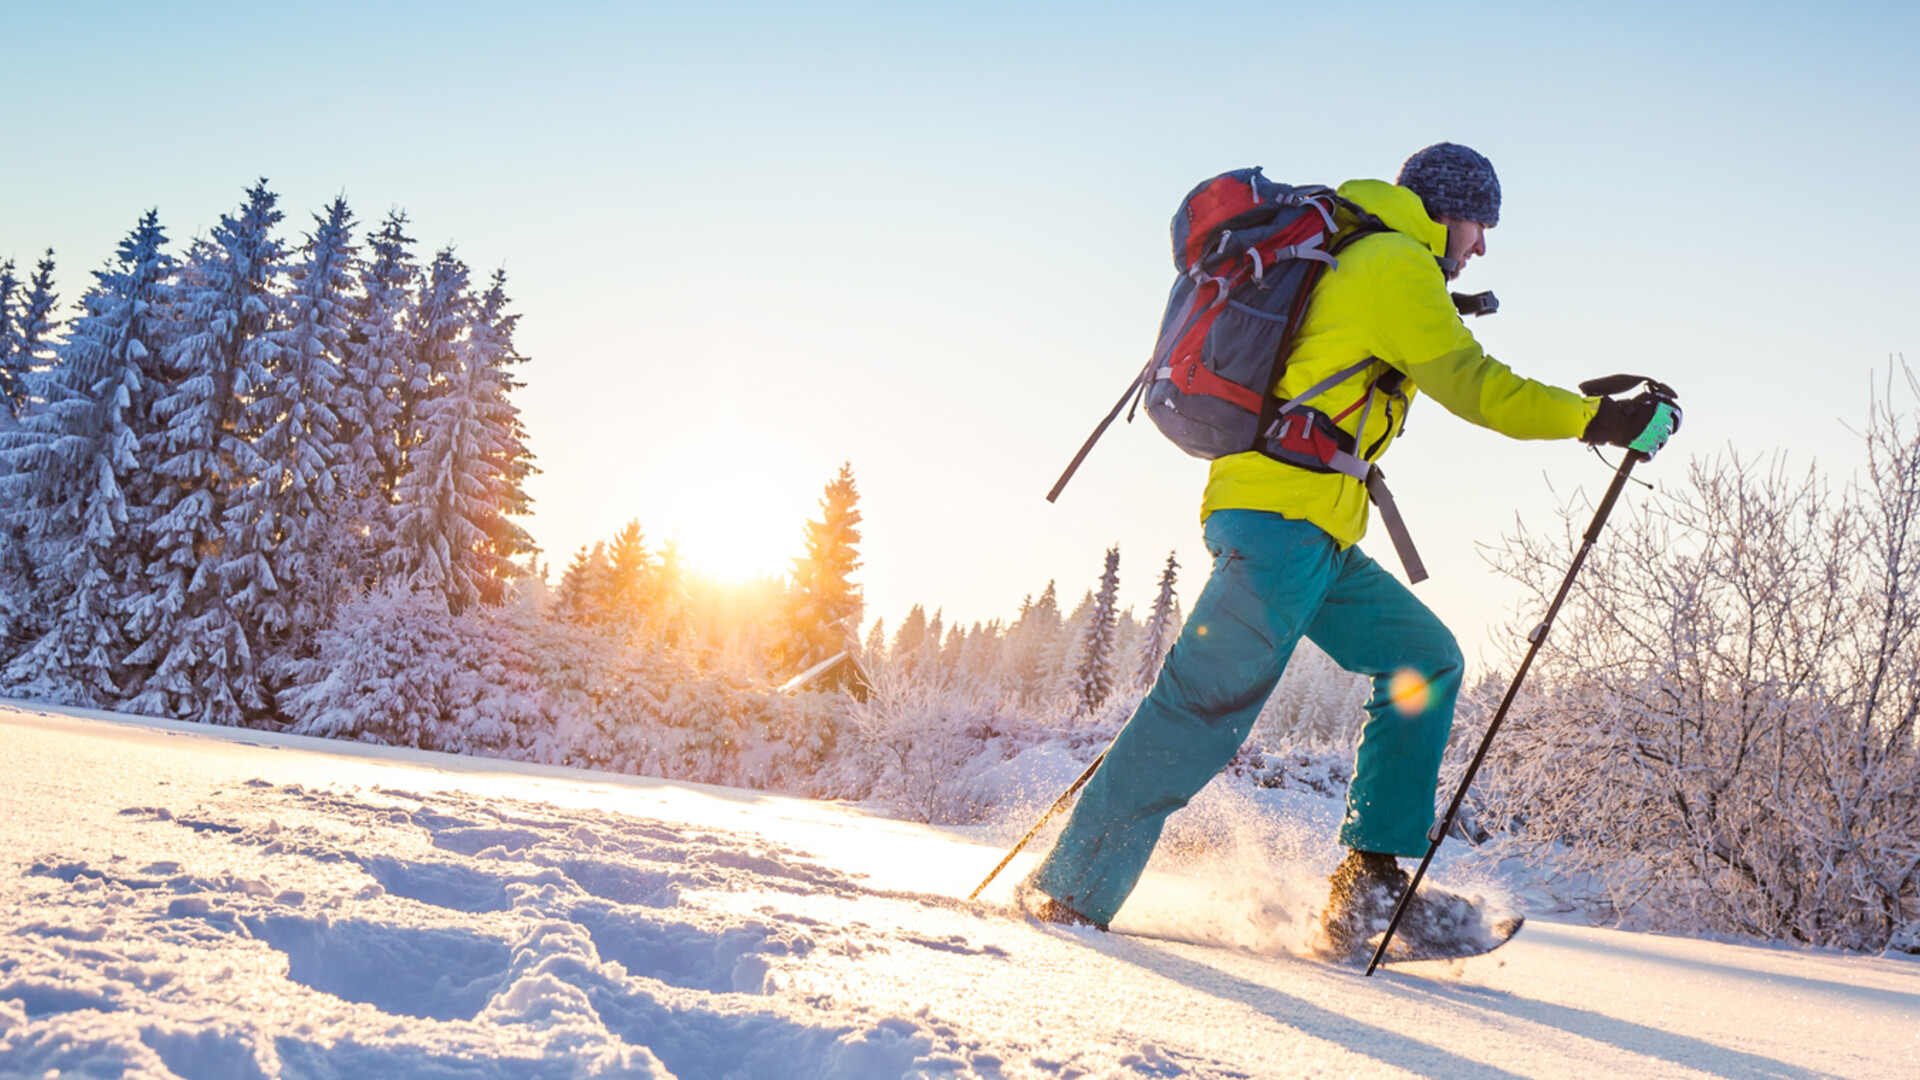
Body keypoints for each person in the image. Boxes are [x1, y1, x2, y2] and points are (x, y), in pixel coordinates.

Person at [1021, 142, 1679, 950]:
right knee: (1196, 714)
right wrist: (1598, 421)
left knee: (1422, 659)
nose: (1482, 245)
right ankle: (1067, 901)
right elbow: (1476, 385)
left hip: (1316, 531)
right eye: (1479, 223)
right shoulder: (1391, 264)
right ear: (1444, 210)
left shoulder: (1379, 261)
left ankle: (1365, 892)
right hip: (1280, 526)